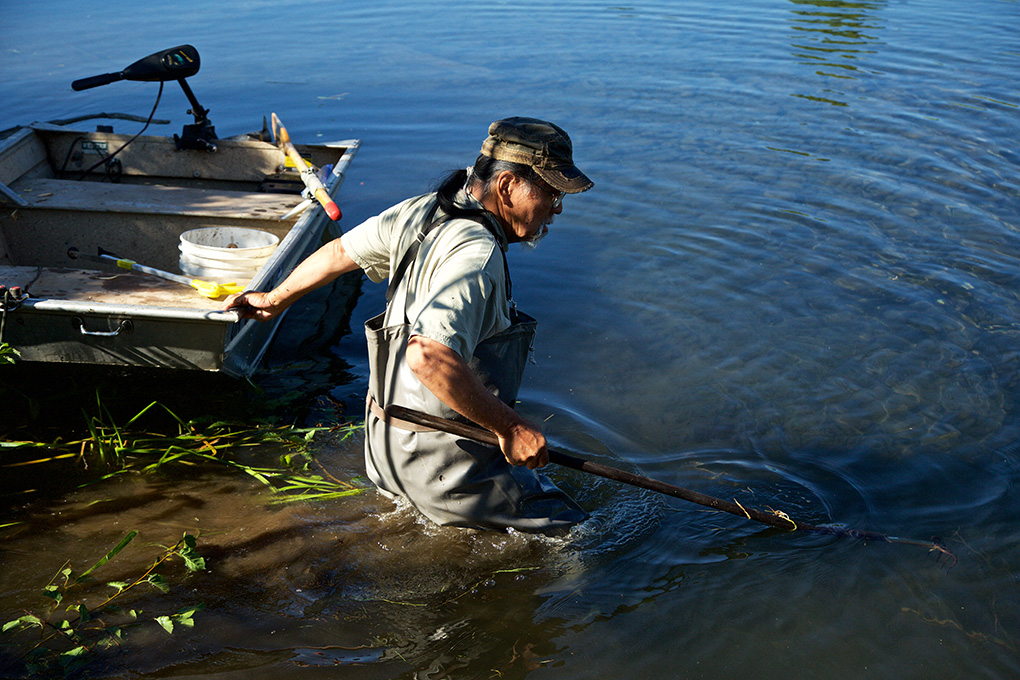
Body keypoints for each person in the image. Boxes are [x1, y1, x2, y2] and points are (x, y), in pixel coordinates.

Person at [222, 117, 593, 534]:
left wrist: (273, 301)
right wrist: (512, 427)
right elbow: (427, 356)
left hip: (384, 448)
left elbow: (340, 251)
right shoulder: (476, 256)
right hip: (445, 465)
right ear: (506, 186)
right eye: (552, 192)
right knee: (576, 531)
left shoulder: (424, 210)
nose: (557, 207)